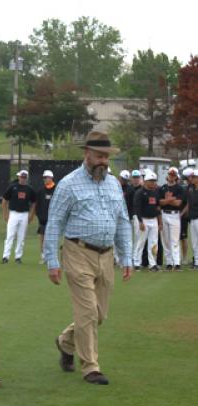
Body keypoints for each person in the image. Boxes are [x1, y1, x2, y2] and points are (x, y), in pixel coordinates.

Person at [43, 131, 132, 386]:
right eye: (98, 156)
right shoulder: (68, 184)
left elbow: (122, 220)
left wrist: (127, 257)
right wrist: (52, 261)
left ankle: (65, 342)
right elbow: (54, 223)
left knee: (99, 314)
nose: (103, 161)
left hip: (107, 255)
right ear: (87, 154)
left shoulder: (114, 184)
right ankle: (91, 367)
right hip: (77, 252)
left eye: (106, 156)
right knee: (87, 312)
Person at [1, 169, 36, 264]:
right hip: (13, 213)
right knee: (10, 235)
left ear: (27, 178)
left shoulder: (30, 189)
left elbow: (34, 202)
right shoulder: (13, 187)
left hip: (24, 214)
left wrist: (31, 215)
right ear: (18, 177)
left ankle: (18, 257)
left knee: (21, 237)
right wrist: (5, 214)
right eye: (22, 177)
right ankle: (5, 256)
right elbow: (4, 200)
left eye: (25, 177)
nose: (23, 179)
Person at [133, 171, 162, 272]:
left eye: (154, 181)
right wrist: (140, 222)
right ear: (146, 181)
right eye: (151, 181)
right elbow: (137, 208)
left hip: (153, 220)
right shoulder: (140, 193)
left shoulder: (155, 192)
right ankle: (136, 263)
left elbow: (158, 208)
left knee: (154, 243)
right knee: (141, 242)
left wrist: (160, 222)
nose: (153, 183)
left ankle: (152, 264)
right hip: (143, 219)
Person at [159, 167, 185, 271]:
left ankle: (177, 262)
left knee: (174, 240)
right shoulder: (163, 188)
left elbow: (178, 203)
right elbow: (160, 202)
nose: (171, 176)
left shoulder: (179, 188)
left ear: (176, 177)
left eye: (173, 175)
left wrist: (167, 200)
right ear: (167, 175)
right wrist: (171, 199)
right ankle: (169, 263)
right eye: (170, 174)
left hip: (175, 214)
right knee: (166, 240)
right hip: (164, 214)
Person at [32, 170, 56, 264]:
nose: (45, 179)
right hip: (43, 220)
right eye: (44, 178)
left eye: (47, 177)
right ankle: (43, 256)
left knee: (52, 239)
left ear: (51, 178)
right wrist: (39, 215)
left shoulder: (57, 190)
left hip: (54, 220)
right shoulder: (40, 191)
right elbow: (37, 205)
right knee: (42, 239)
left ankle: (52, 257)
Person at [127, 169, 143, 267]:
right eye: (134, 178)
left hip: (137, 216)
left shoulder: (142, 189)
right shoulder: (129, 189)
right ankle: (129, 258)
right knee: (128, 238)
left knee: (138, 238)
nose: (136, 180)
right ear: (132, 179)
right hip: (129, 216)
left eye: (137, 178)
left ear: (140, 178)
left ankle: (135, 259)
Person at [180, 167, 194, 266]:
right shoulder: (187, 187)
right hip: (186, 216)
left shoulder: (195, 187)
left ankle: (195, 259)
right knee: (183, 237)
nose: (184, 180)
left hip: (193, 215)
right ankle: (184, 259)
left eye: (186, 178)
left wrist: (182, 213)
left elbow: (189, 204)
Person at [186, 169, 198, 269]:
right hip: (192, 218)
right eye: (192, 177)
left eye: (194, 177)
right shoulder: (191, 188)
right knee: (194, 242)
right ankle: (196, 263)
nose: (192, 179)